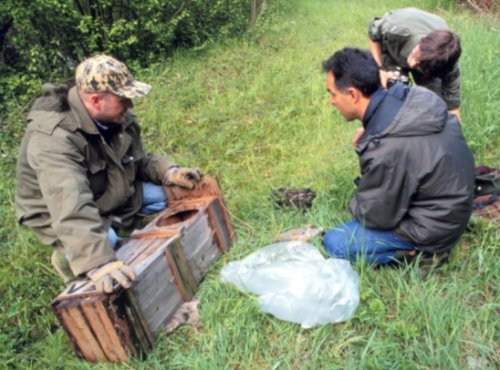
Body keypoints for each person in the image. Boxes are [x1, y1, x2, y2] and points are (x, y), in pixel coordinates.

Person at [15, 55, 203, 292]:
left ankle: (114, 223)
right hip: (58, 211)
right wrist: (99, 262)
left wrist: (169, 172)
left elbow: (137, 160)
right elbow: (70, 204)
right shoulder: (53, 139)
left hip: (104, 190)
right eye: (123, 98)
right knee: (107, 245)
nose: (130, 105)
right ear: (95, 100)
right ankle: (68, 258)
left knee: (166, 195)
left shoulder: (117, 117)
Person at [321, 47, 475, 265]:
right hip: (454, 203)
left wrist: (360, 194)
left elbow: (375, 215)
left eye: (333, 93)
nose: (332, 101)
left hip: (434, 228)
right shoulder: (414, 96)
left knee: (336, 242)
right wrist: (372, 131)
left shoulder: (386, 147)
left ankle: (421, 253)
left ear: (353, 95)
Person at [368, 7, 462, 118]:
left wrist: (455, 133)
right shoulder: (397, 29)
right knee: (391, 94)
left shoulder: (448, 67)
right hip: (395, 50)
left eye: (419, 63)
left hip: (430, 63)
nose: (411, 64)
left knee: (435, 104)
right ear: (421, 41)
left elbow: (452, 107)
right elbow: (373, 30)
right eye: (415, 56)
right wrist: (379, 69)